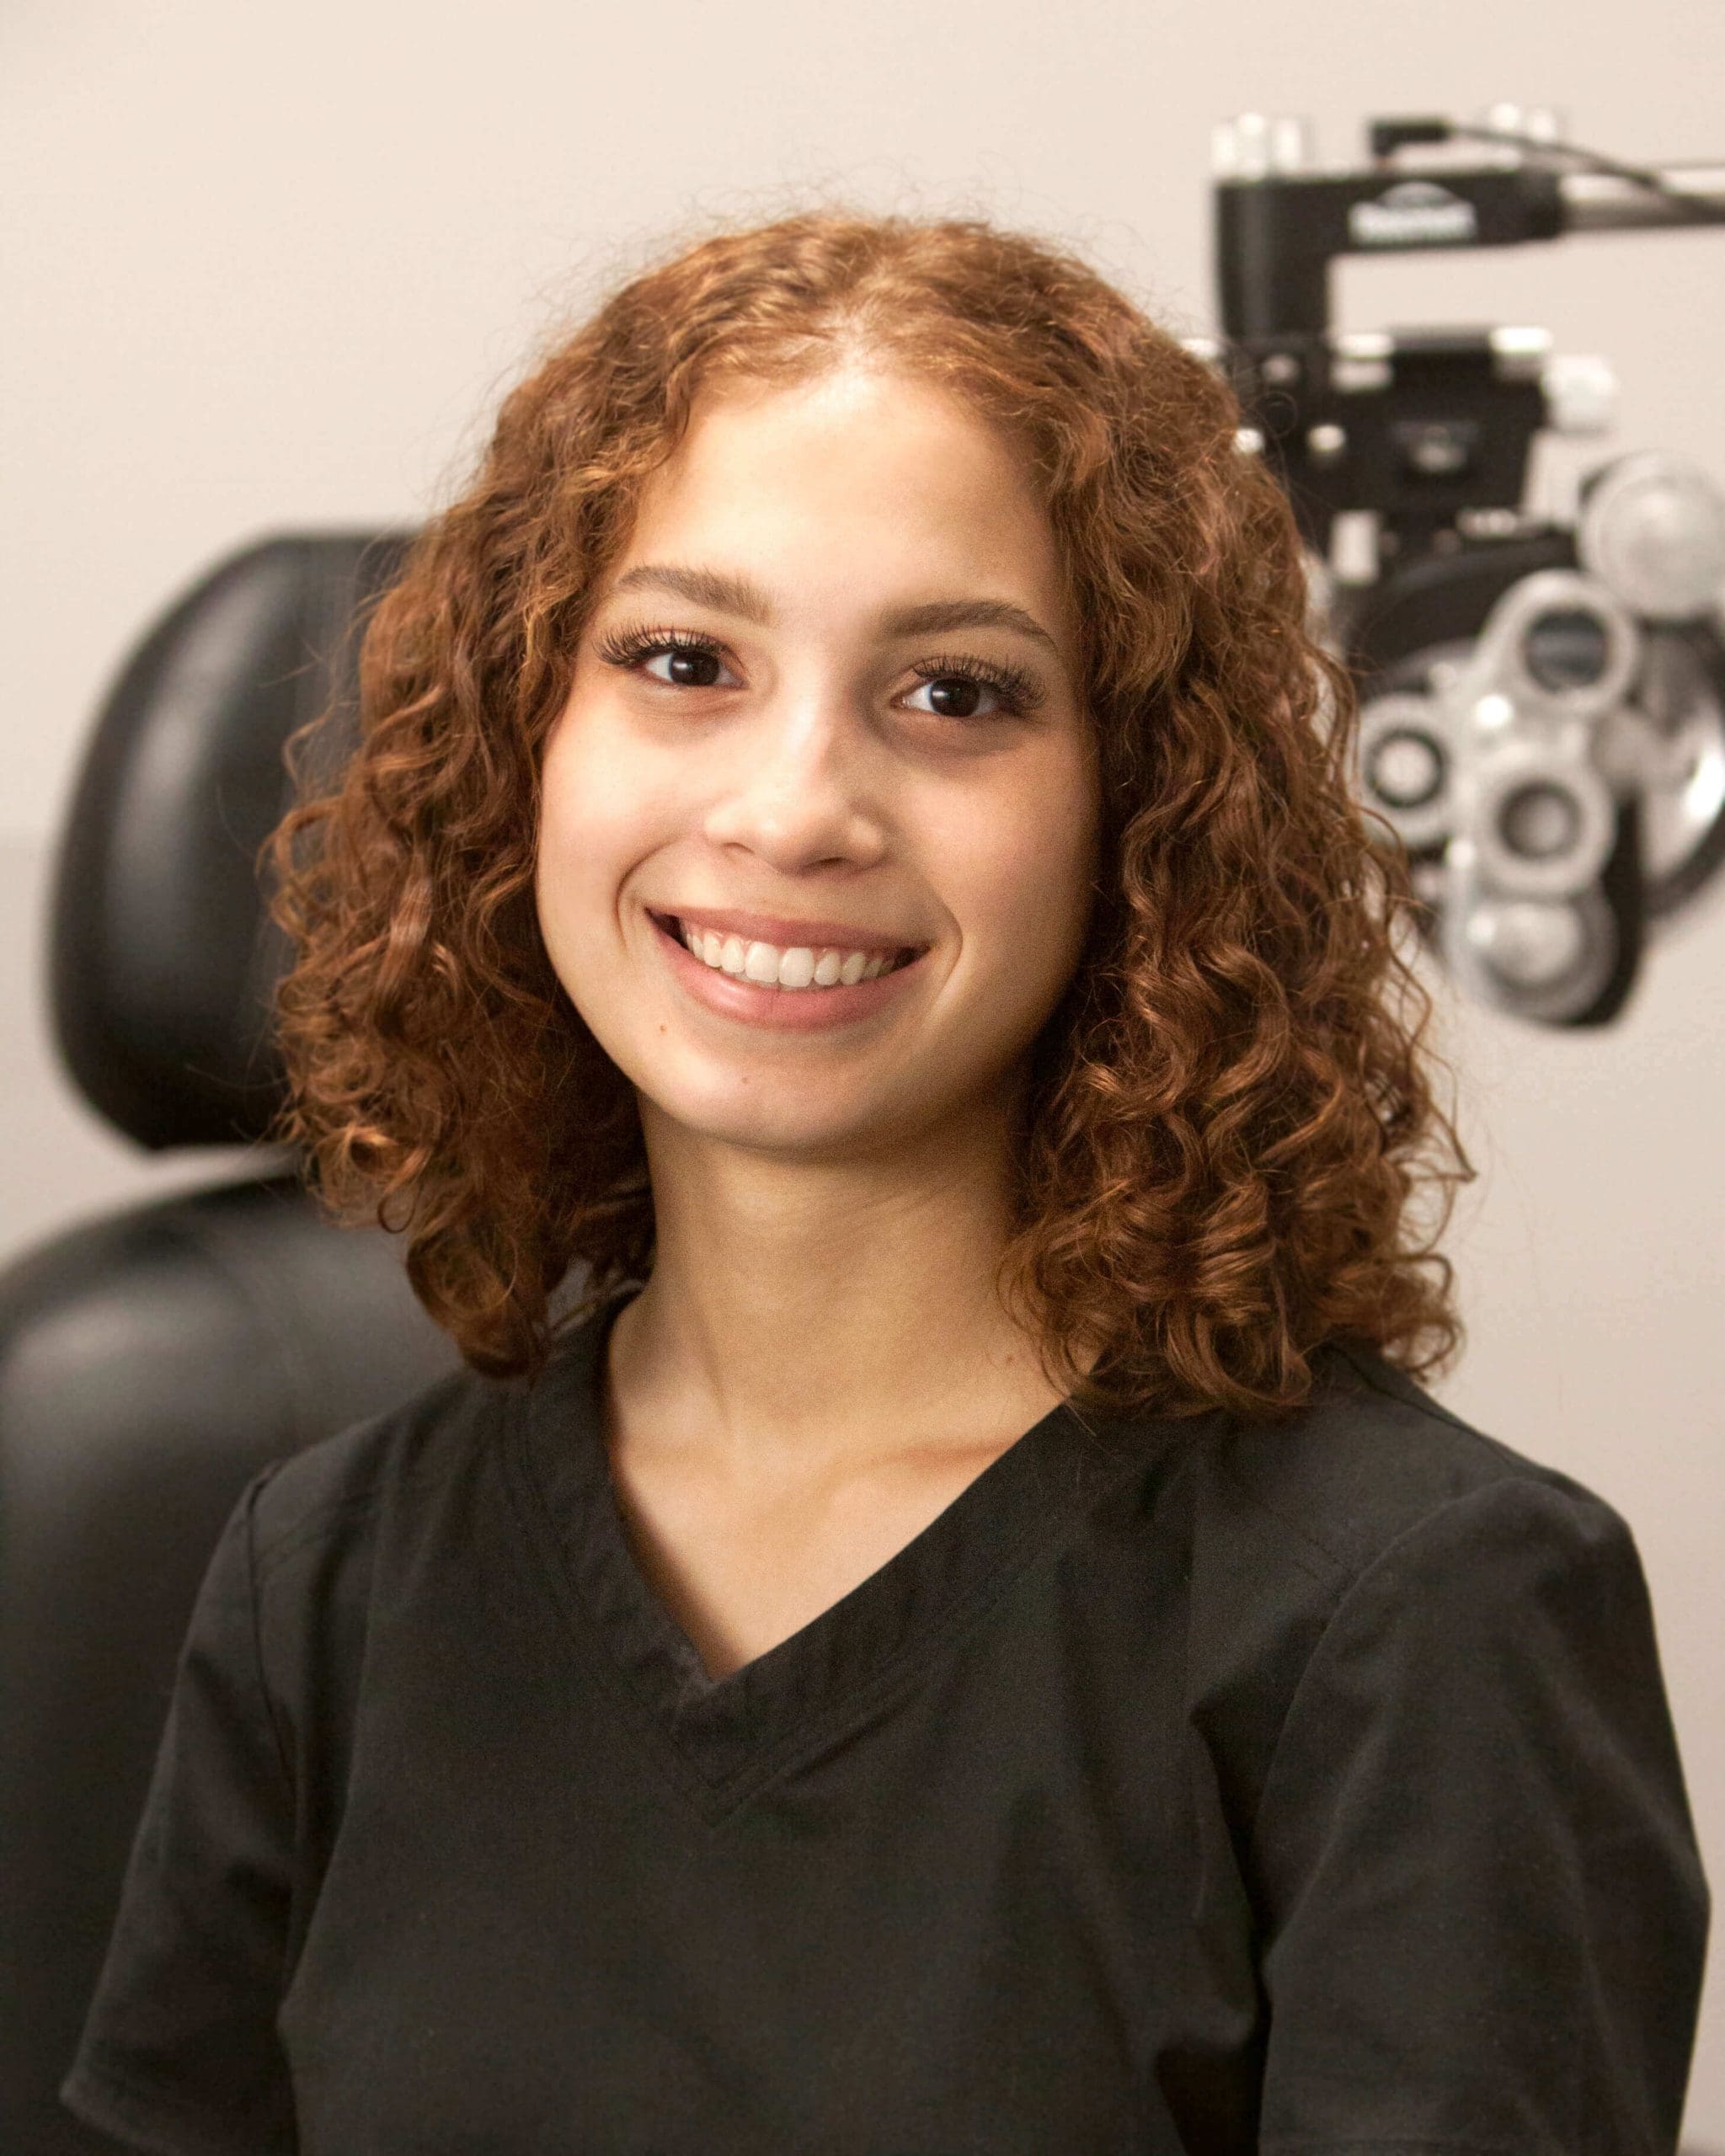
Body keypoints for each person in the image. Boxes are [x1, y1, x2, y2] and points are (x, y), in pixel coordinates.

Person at [61, 208, 1709, 2154]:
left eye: (954, 694)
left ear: (1139, 807)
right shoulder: (320, 1580)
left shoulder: (1420, 1615)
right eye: (684, 659)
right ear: (527, 742)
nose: (791, 808)